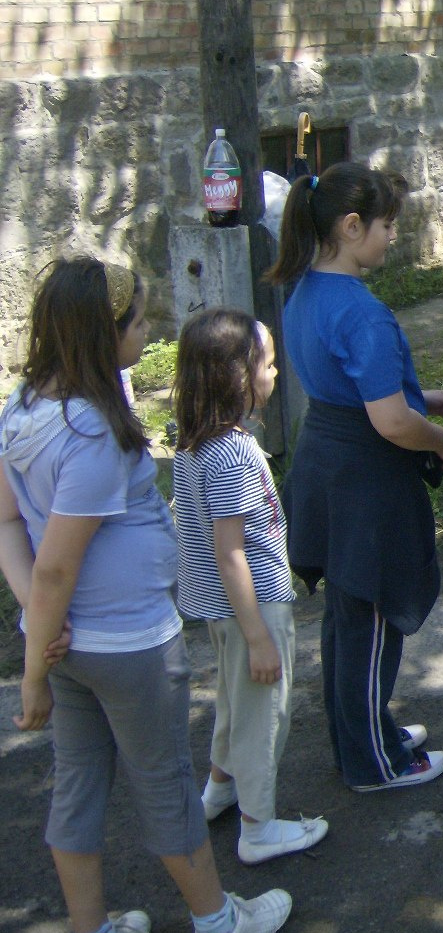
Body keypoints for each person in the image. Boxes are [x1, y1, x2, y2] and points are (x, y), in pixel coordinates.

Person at [0, 259, 291, 933]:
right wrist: (36, 664)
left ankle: (92, 931)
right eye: (136, 322)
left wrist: (45, 631)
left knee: (78, 782)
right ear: (104, 335)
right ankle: (217, 921)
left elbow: (11, 527)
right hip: (125, 641)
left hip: (71, 638)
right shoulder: (91, 433)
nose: (147, 330)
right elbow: (56, 567)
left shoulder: (23, 407)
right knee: (164, 781)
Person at [266, 162, 443, 791]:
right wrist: (442, 440)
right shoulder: (363, 312)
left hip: (325, 463)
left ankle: (360, 731)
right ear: (352, 227)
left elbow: (346, 388)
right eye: (387, 226)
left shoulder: (304, 292)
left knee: (347, 620)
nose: (391, 237)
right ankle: (374, 763)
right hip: (366, 483)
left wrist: (417, 395)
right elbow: (388, 422)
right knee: (373, 618)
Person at [172, 308, 329, 864]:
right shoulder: (233, 453)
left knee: (236, 706)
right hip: (252, 609)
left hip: (221, 611)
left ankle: (219, 790)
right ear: (238, 377)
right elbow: (232, 551)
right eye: (267, 363)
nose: (276, 373)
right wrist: (259, 634)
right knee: (265, 715)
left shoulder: (194, 443)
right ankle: (259, 828)